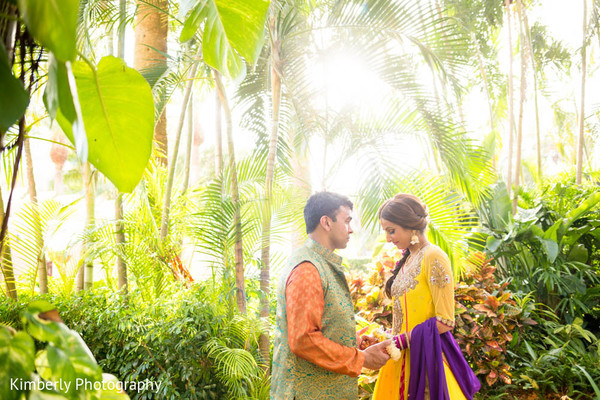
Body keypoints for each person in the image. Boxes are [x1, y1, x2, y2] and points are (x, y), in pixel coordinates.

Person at [271, 191, 391, 400]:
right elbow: (304, 340)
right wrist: (361, 359)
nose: (351, 229)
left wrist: (352, 340)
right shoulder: (308, 269)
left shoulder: (319, 263)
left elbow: (319, 327)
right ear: (326, 222)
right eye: (346, 221)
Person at [372, 194, 480, 400]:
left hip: (427, 361)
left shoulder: (433, 256)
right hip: (399, 359)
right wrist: (383, 338)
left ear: (411, 226)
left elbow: (446, 320)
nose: (387, 238)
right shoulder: (407, 260)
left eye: (391, 230)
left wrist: (403, 340)